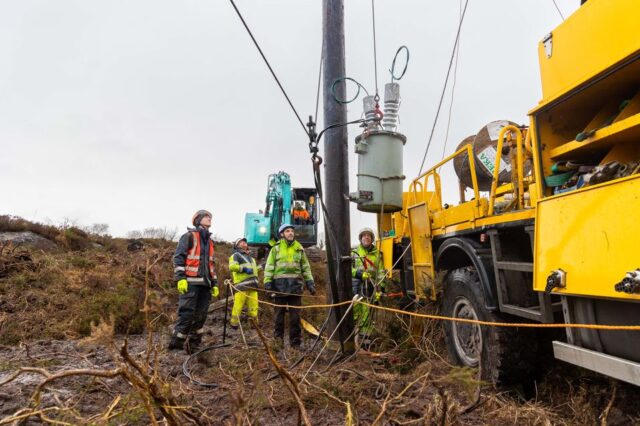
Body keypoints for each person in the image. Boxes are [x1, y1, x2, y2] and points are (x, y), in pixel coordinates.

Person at [168, 209, 219, 353]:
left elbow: (211, 264)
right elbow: (178, 258)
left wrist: (214, 283)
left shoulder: (210, 241)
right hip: (190, 283)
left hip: (205, 285)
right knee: (187, 314)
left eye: (210, 217)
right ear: (198, 220)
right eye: (206, 217)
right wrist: (181, 279)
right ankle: (175, 346)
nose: (210, 219)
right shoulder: (189, 236)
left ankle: (194, 345)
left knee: (201, 316)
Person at [264, 224, 316, 348]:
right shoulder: (275, 249)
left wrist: (310, 282)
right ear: (282, 234)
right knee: (278, 317)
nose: (291, 233)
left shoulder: (299, 248)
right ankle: (278, 342)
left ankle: (296, 344)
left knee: (295, 318)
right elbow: (269, 267)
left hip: (295, 287)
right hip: (279, 287)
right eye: (287, 231)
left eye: (292, 231)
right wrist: (267, 283)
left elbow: (305, 267)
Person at [351, 227, 385, 343]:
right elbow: (348, 270)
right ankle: (351, 339)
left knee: (367, 314)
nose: (366, 237)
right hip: (356, 286)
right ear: (361, 239)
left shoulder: (377, 255)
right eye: (364, 235)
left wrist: (381, 290)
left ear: (372, 239)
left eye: (368, 235)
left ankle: (365, 342)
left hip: (370, 287)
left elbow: (380, 273)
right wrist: (359, 273)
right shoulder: (354, 253)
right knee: (354, 312)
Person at [228, 237, 260, 329]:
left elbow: (254, 271)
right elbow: (232, 267)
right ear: (237, 246)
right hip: (241, 286)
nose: (244, 243)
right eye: (241, 242)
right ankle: (234, 324)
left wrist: (260, 267)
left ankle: (254, 325)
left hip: (253, 286)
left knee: (254, 307)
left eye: (245, 242)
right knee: (238, 306)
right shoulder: (236, 255)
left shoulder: (251, 258)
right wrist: (244, 269)